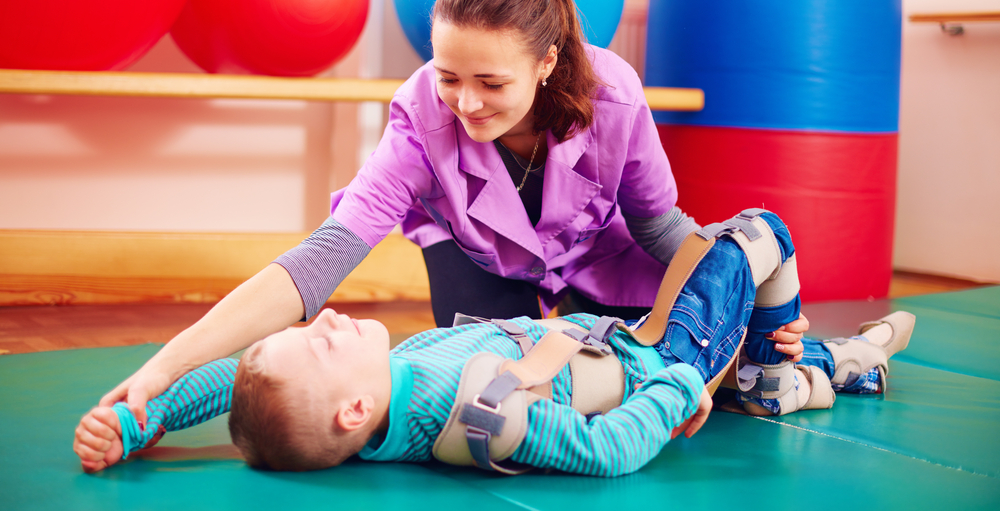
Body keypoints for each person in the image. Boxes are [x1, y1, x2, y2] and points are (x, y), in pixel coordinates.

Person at [95, 0, 809, 432]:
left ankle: (823, 357)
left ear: (547, 61)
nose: (465, 103)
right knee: (488, 385)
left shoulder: (613, 95)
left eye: (491, 82)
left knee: (664, 365)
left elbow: (662, 229)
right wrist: (165, 367)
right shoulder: (419, 116)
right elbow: (322, 259)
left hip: (604, 258)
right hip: (477, 257)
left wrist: (747, 308)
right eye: (448, 76)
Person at [74, 210, 915, 476]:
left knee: (723, 272)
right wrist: (677, 389)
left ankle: (811, 370)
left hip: (611, 333)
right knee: (760, 231)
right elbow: (608, 452)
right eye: (320, 344)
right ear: (353, 409)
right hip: (663, 356)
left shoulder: (377, 393)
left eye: (309, 325)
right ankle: (769, 372)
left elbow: (243, 381)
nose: (323, 320)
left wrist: (143, 414)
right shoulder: (474, 406)